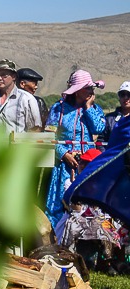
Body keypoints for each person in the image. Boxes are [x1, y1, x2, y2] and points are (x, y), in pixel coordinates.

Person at [44, 70, 106, 228]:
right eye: (88, 88)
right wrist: (63, 153)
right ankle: (56, 242)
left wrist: (88, 108)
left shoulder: (95, 109)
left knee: (87, 204)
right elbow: (49, 135)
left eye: (92, 88)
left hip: (87, 164)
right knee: (59, 202)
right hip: (64, 163)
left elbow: (99, 129)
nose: (92, 91)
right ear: (77, 90)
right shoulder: (58, 108)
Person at [101, 81, 130, 145]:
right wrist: (107, 154)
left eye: (129, 95)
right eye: (122, 94)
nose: (126, 98)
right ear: (119, 98)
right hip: (113, 154)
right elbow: (101, 141)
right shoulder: (109, 118)